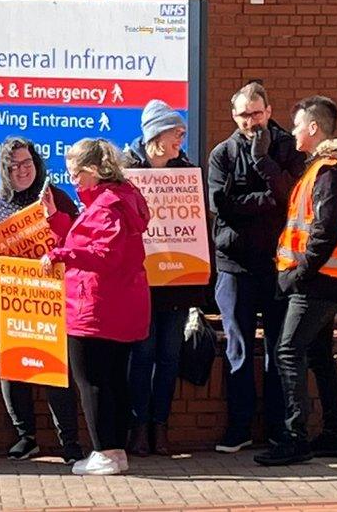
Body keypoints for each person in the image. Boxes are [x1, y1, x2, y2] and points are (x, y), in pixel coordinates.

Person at [255, 96, 337, 466]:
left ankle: (294, 437)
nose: (293, 132)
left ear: (314, 128)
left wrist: (297, 273)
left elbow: (324, 231)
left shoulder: (329, 171)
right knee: (319, 355)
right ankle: (334, 434)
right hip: (326, 279)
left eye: (298, 125)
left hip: (315, 281)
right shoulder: (325, 168)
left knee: (288, 351)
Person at [41, 138, 151, 476]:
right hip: (120, 304)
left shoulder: (106, 205)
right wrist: (56, 219)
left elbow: (103, 254)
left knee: (90, 381)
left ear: (92, 170)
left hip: (94, 306)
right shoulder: (121, 199)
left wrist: (59, 254)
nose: (72, 181)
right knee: (114, 378)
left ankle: (104, 451)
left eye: (75, 173)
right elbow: (89, 241)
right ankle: (114, 451)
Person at [207, 82, 306, 453]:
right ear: (233, 115)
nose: (250, 121)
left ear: (269, 110)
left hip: (279, 264)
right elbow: (222, 205)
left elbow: (291, 200)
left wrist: (264, 168)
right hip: (234, 266)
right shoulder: (223, 153)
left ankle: (279, 428)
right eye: (244, 114)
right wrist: (268, 199)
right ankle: (239, 427)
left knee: (280, 348)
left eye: (257, 113)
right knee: (239, 348)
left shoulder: (288, 148)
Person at [0, 137, 83, 464]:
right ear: (4, 170)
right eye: (13, 165)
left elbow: (75, 241)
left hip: (49, 302)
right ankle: (26, 437)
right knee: (14, 371)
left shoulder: (56, 198)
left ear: (37, 165)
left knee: (54, 374)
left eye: (27, 163)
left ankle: (70, 443)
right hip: (5, 301)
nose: (21, 170)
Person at [122, 100, 206, 456]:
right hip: (139, 280)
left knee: (169, 356)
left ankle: (161, 425)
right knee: (141, 355)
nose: (182, 139)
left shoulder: (185, 170)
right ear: (157, 133)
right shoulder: (126, 168)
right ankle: (138, 427)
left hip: (177, 279)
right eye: (177, 132)